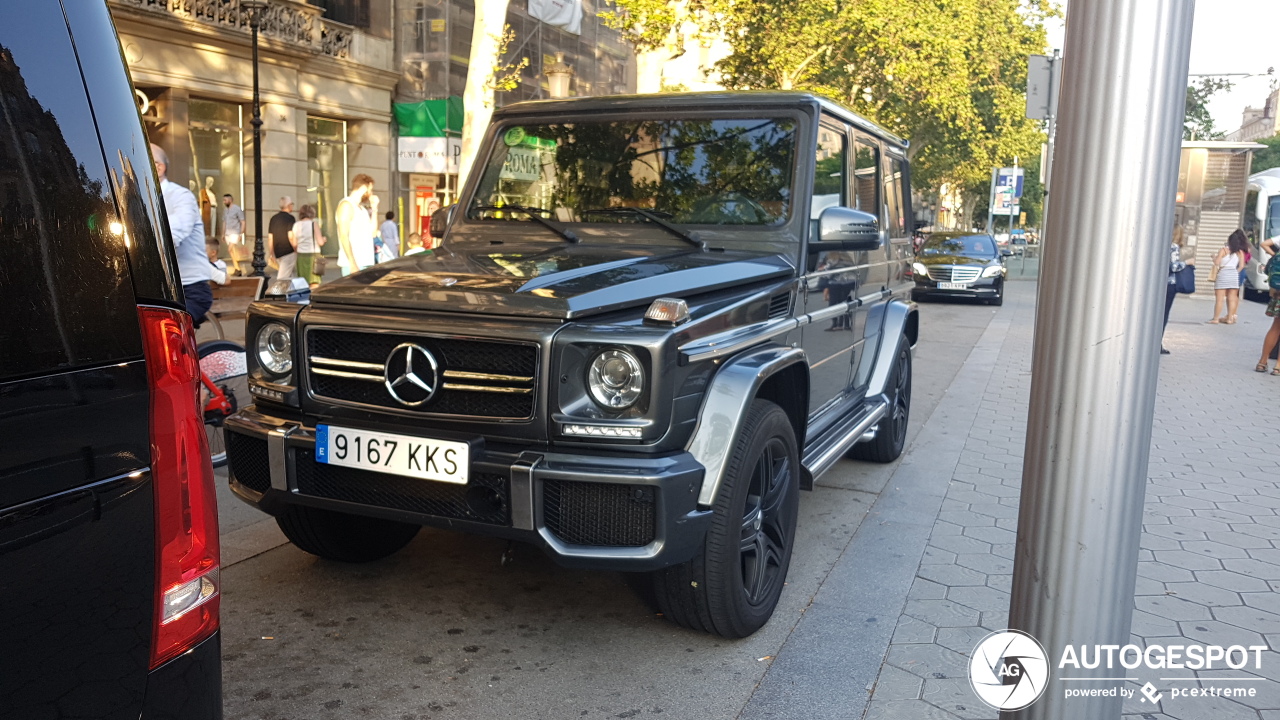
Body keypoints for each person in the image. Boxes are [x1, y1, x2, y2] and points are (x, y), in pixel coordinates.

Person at [150, 143, 212, 325]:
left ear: (159, 167)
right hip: (160, 289)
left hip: (189, 289)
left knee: (166, 331)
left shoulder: (181, 196)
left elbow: (175, 231)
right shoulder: (140, 199)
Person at [335, 174, 378, 275]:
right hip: (354, 264)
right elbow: (343, 235)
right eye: (370, 190)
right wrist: (352, 263)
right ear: (364, 188)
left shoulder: (362, 209)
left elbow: (373, 233)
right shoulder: (346, 205)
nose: (371, 194)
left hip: (366, 262)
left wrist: (375, 209)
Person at [1161, 225, 1192, 354]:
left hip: (1160, 284)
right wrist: (1187, 263)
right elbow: (1173, 267)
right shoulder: (1174, 246)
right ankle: (1158, 342)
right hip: (1170, 284)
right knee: (1164, 314)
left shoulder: (1162, 245)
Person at [1208, 229, 1249, 324]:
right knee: (1232, 297)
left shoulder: (1224, 250)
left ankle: (1216, 318)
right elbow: (1242, 265)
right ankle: (1230, 318)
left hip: (1223, 273)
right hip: (1234, 274)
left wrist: (1214, 258)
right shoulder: (1240, 252)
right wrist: (1235, 271)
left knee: (1219, 298)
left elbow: (1217, 263)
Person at [1257, 236, 1280, 375]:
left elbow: (1264, 244)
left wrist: (1275, 254)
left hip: (1278, 291)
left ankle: (1262, 362)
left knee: (1275, 328)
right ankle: (1278, 366)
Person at [293, 204, 325, 284]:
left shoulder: (296, 225)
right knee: (314, 282)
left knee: (302, 282)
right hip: (313, 255)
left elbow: (294, 243)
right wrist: (324, 239)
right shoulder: (314, 224)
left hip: (301, 256)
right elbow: (320, 242)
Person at [268, 196, 297, 279]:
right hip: (288, 251)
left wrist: (271, 253)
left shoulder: (273, 218)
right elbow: (290, 236)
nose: (292, 206)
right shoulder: (290, 218)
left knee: (288, 274)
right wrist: (295, 248)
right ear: (288, 205)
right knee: (282, 277)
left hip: (278, 252)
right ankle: (278, 291)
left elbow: (270, 237)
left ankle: (290, 291)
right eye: (292, 204)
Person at [223, 193, 246, 275]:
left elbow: (242, 221)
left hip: (235, 232)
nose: (224, 202)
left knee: (230, 249)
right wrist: (223, 233)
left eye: (225, 200)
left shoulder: (237, 209)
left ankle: (238, 268)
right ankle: (237, 268)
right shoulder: (226, 210)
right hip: (228, 233)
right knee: (232, 251)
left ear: (230, 200)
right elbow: (224, 222)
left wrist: (241, 234)